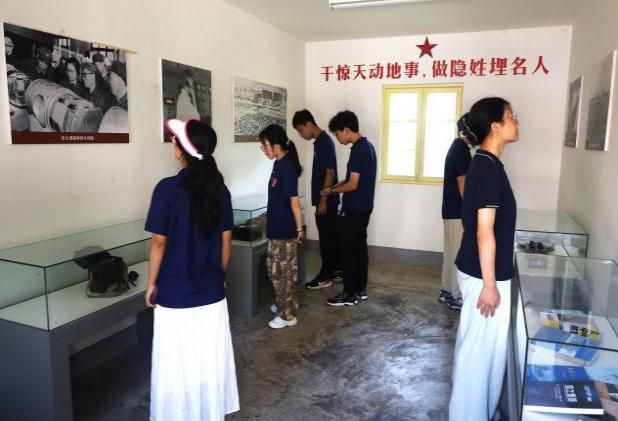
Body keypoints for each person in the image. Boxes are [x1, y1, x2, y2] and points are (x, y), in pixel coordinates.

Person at [145, 118, 239, 420]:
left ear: (180, 150)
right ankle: (209, 412)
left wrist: (151, 283)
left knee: (176, 363)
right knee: (208, 359)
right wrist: (219, 275)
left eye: (175, 140)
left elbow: (159, 242)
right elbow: (226, 240)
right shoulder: (219, 190)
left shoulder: (167, 189)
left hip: (175, 293)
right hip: (211, 292)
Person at [449, 97, 519, 421]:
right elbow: (484, 232)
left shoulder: (487, 163)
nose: (516, 122)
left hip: (485, 272)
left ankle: (483, 412)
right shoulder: (487, 168)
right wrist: (489, 286)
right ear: (495, 126)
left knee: (488, 351)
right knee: (478, 355)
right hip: (483, 276)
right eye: (511, 116)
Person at [322, 110, 376, 307]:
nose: (338, 138)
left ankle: (349, 294)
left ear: (346, 130)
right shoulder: (368, 146)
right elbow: (354, 180)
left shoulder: (359, 150)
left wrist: (331, 191)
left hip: (353, 208)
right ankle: (360, 289)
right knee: (359, 248)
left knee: (347, 251)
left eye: (337, 134)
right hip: (364, 207)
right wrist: (338, 185)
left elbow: (353, 184)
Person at [258, 124, 304, 329]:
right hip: (276, 228)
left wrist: (299, 229)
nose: (263, 150)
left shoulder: (287, 168)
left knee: (282, 274)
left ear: (275, 144)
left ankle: (288, 316)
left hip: (285, 231)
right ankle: (286, 303)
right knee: (275, 270)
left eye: (265, 145)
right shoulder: (278, 163)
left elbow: (294, 202)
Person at [293, 109, 341, 290]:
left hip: (327, 201)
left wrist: (323, 201)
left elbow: (330, 173)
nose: (301, 134)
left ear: (308, 124)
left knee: (326, 240)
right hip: (327, 200)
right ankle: (335, 270)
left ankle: (325, 276)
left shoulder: (324, 143)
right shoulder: (321, 142)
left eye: (300, 130)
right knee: (330, 238)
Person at [439, 114, 473, 311]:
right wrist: (470, 207)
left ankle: (446, 290)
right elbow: (462, 182)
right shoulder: (461, 151)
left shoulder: (456, 147)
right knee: (457, 253)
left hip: (450, 209)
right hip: (458, 211)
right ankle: (456, 295)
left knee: (451, 251)